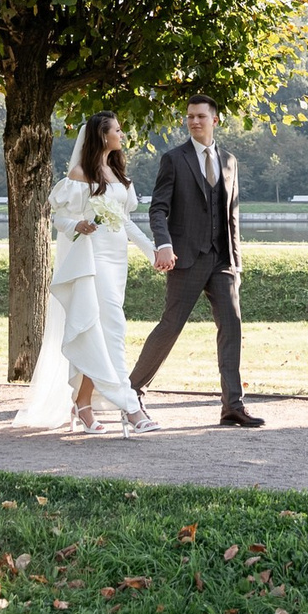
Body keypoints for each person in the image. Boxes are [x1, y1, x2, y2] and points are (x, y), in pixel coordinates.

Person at [13, 111, 161, 435]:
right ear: (101, 135)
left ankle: (83, 405)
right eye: (117, 131)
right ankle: (130, 406)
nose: (121, 135)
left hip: (117, 261)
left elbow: (126, 222)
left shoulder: (118, 174)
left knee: (99, 331)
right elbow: (59, 219)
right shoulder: (80, 175)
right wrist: (77, 225)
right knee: (113, 329)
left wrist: (152, 252)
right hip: (93, 261)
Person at [128, 95, 264, 427]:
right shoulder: (174, 159)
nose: (194, 122)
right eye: (190, 117)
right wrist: (163, 244)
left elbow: (232, 215)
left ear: (214, 120)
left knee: (231, 327)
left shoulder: (230, 161)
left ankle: (232, 405)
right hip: (186, 258)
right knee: (170, 327)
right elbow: (158, 208)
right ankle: (130, 392)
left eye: (201, 116)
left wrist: (236, 262)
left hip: (223, 260)